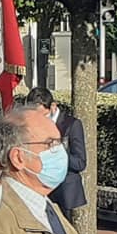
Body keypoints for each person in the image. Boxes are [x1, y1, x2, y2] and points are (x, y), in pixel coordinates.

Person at [25, 87, 86, 218]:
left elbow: (80, 163)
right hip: (40, 189)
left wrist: (59, 152)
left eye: (43, 115)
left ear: (53, 106)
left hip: (64, 193)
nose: (39, 120)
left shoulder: (72, 124)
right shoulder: (30, 125)